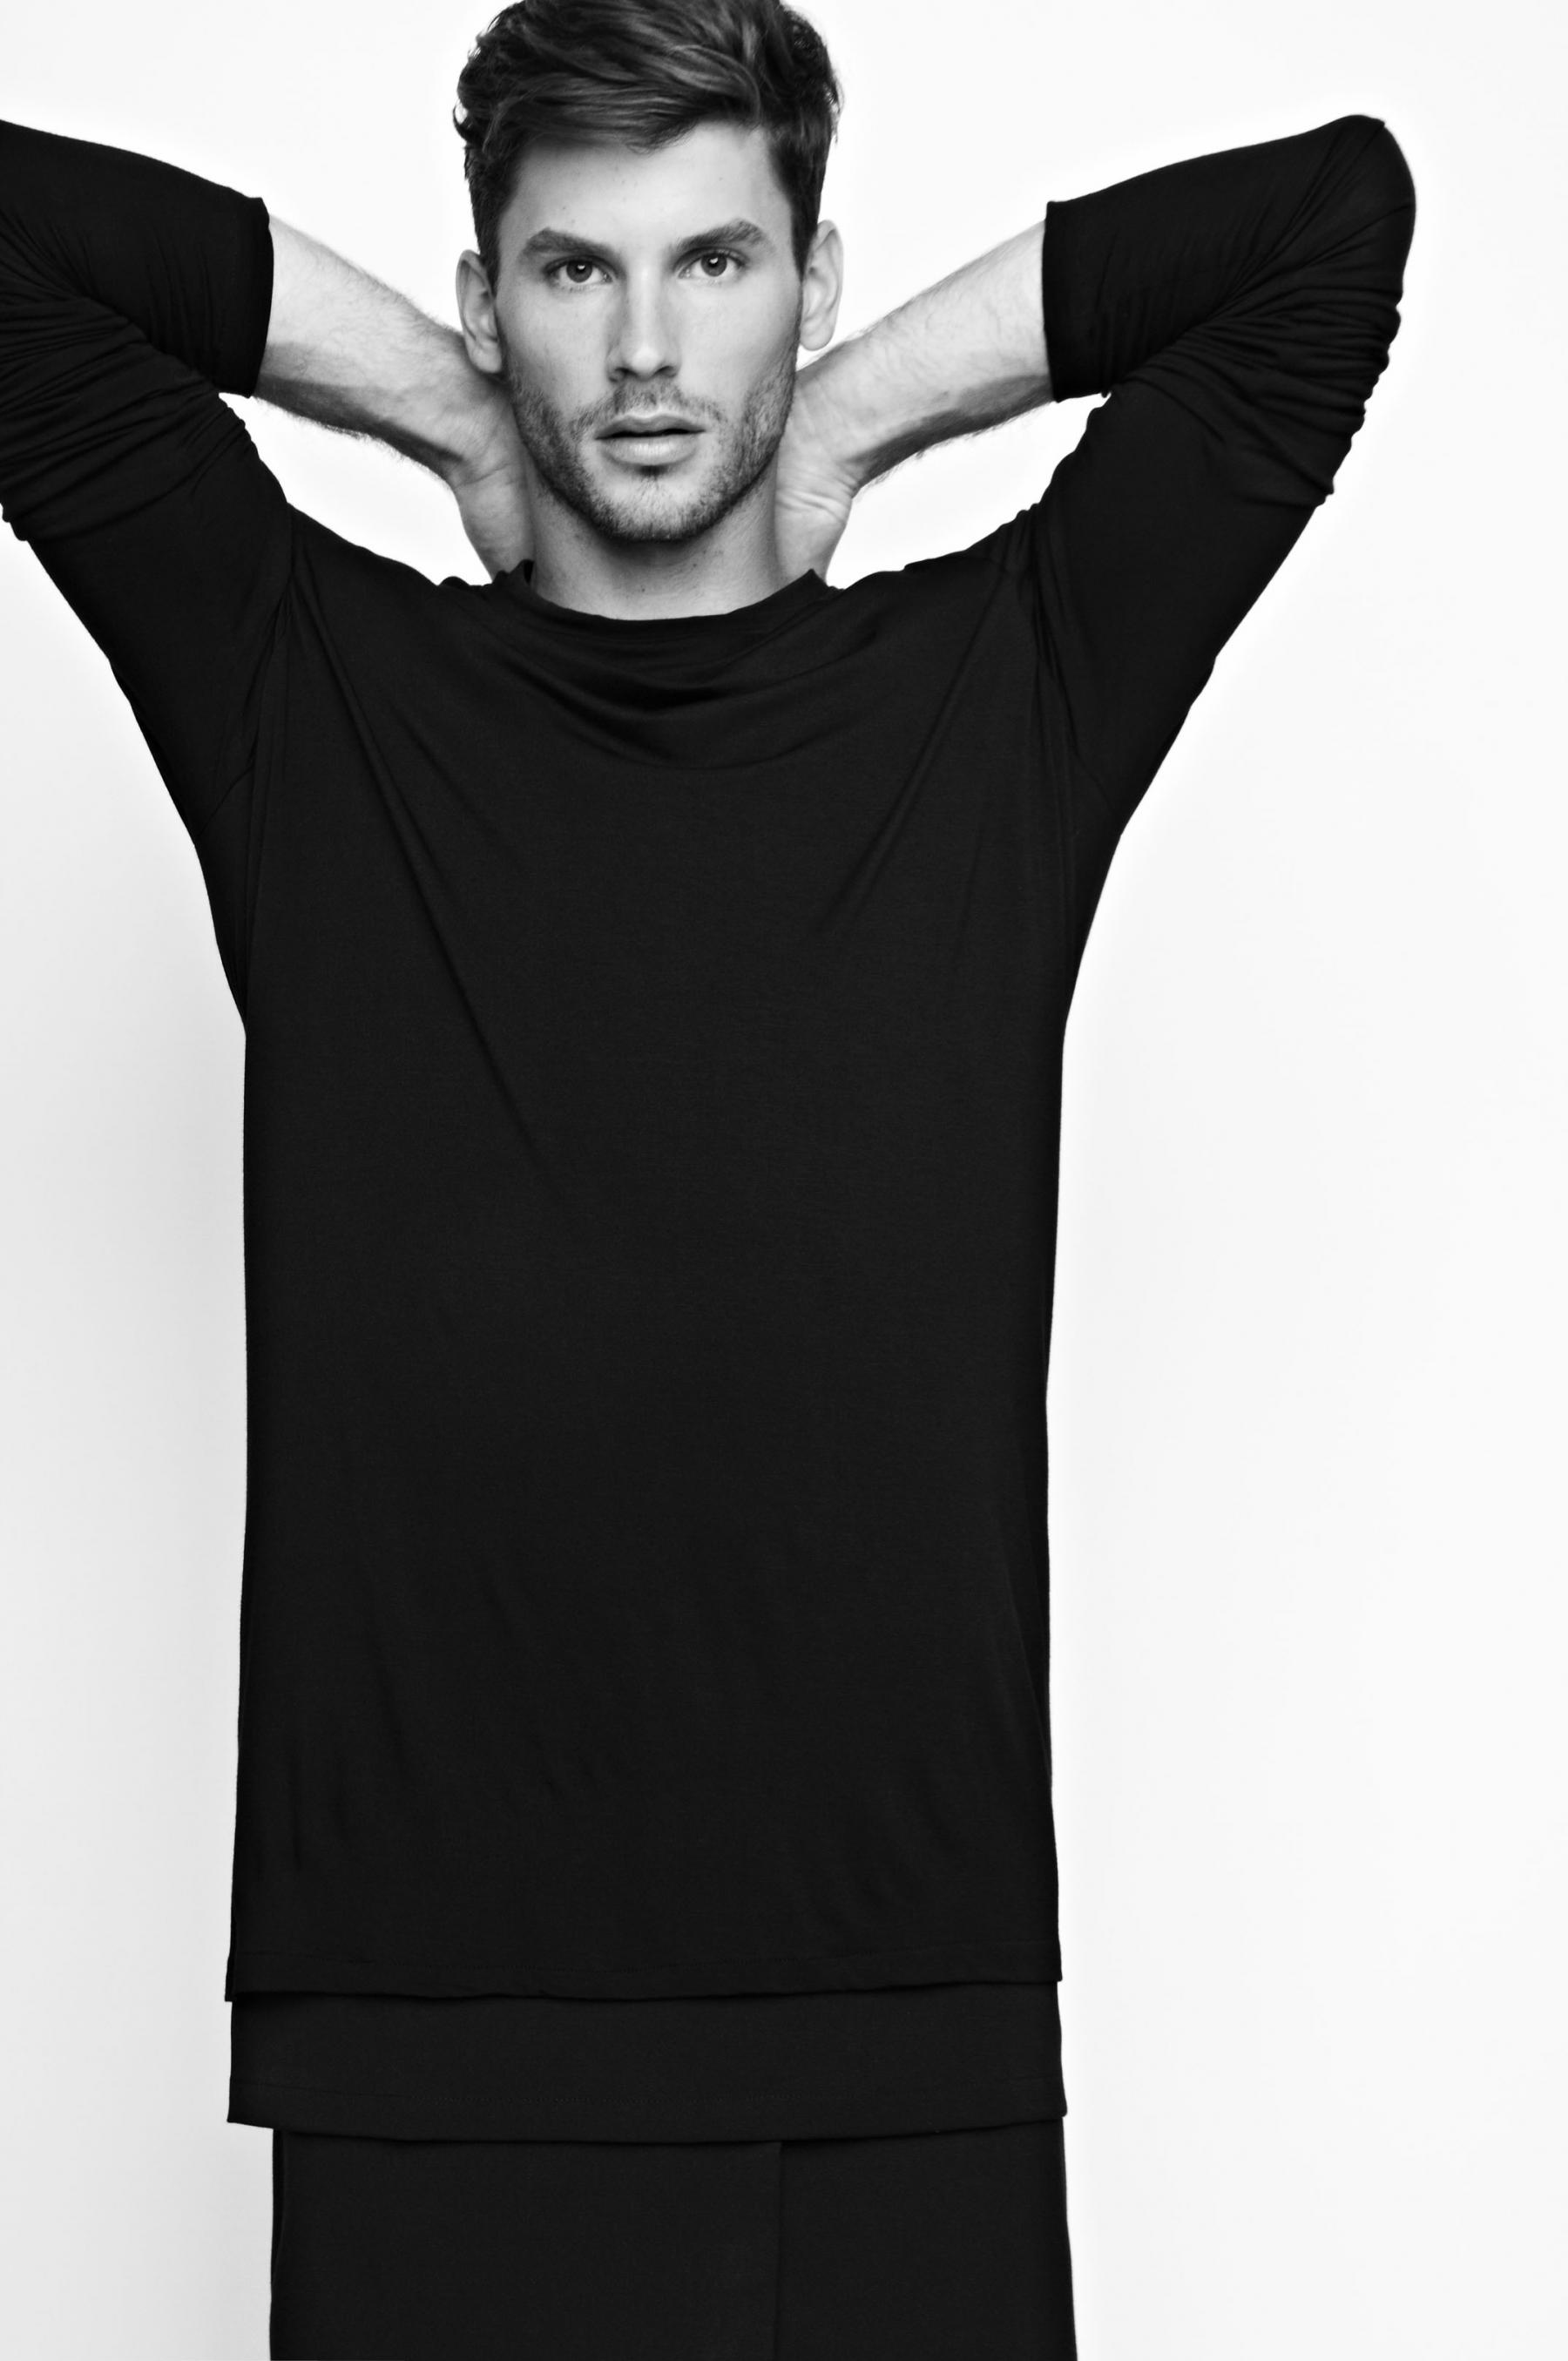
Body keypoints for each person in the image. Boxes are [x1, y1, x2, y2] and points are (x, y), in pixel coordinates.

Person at [0, 0, 1416, 2351]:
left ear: (812, 277)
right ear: (488, 294)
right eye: (576, 272)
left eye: (717, 264)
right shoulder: (304, 698)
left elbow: (1331, 226)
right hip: (431, 2060)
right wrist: (451, 418)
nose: (648, 351)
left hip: (901, 2054)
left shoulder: (1009, 694)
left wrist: (842, 422)